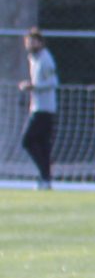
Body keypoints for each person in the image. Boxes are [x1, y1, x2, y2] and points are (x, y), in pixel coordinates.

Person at [19, 29, 56, 188]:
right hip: (37, 107)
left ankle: (45, 174)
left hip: (44, 109)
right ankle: (45, 179)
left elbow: (53, 82)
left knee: (26, 141)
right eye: (28, 42)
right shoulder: (34, 59)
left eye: (33, 42)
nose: (30, 45)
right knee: (42, 145)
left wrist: (33, 86)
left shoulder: (45, 59)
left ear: (40, 43)